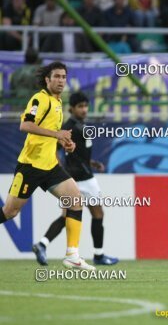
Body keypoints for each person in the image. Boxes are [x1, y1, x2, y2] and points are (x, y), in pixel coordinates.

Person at [0, 62, 95, 271]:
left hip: (50, 165)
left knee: (76, 200)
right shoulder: (39, 99)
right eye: (57, 77)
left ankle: (72, 255)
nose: (61, 80)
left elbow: (51, 134)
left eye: (64, 77)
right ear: (47, 79)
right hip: (30, 166)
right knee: (9, 212)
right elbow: (25, 125)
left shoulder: (58, 102)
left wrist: (64, 143)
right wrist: (57, 134)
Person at [32, 92, 119, 266]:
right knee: (97, 213)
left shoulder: (80, 125)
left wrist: (91, 162)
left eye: (86, 106)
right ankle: (99, 255)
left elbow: (78, 153)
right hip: (83, 179)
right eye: (80, 106)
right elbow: (54, 149)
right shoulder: (70, 127)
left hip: (79, 175)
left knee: (67, 216)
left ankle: (42, 244)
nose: (84, 109)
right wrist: (59, 169)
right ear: (71, 108)